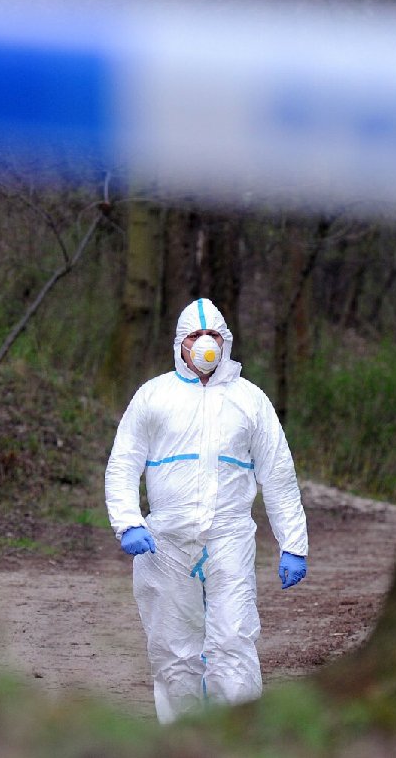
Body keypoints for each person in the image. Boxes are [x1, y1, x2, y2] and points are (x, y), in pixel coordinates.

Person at [105, 297, 309, 723]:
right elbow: (124, 462)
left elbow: (278, 474)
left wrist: (294, 544)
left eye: (213, 335)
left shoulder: (250, 401)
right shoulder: (154, 396)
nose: (204, 345)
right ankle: (182, 740)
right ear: (180, 343)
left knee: (233, 640)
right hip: (164, 544)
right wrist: (127, 521)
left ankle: (237, 738)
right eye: (195, 336)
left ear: (226, 341)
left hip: (229, 539)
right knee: (173, 648)